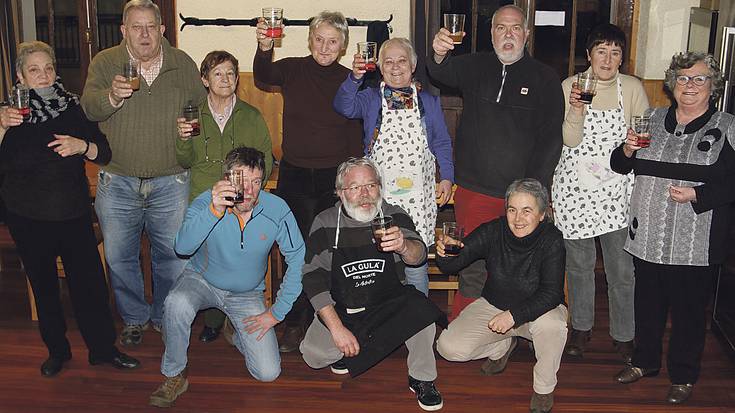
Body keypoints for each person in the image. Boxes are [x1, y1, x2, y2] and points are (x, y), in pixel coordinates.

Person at [0, 41, 139, 377]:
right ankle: (57, 351)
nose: (43, 75)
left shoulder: (72, 107)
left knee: (90, 287)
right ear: (20, 76)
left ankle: (103, 350)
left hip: (73, 213)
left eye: (48, 68)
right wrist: (2, 125)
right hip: (27, 216)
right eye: (34, 70)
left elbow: (104, 152)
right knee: (44, 288)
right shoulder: (9, 112)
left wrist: (82, 146)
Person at [611, 52, 735, 404]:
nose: (690, 85)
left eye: (699, 79)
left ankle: (683, 376)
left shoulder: (727, 126)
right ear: (672, 84)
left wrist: (699, 195)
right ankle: (644, 361)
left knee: (689, 312)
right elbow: (619, 164)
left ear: (713, 86)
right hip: (647, 235)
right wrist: (627, 149)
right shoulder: (651, 118)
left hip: (696, 241)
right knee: (647, 304)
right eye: (683, 78)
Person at [81, 0, 207, 346]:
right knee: (119, 257)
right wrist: (111, 97)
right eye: (136, 27)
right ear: (124, 30)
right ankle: (134, 317)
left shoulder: (182, 63)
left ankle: (166, 315)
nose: (145, 34)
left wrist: (192, 129)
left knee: (173, 256)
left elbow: (201, 110)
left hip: (171, 180)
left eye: (151, 26)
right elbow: (88, 108)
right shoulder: (105, 62)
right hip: (117, 179)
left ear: (162, 29)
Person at [426, 4, 564, 318]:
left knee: (518, 267)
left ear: (526, 34)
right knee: (471, 264)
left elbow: (550, 140)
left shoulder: (545, 78)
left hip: (520, 197)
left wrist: (533, 191)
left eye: (515, 28)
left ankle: (511, 327)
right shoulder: (475, 65)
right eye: (501, 27)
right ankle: (468, 326)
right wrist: (438, 52)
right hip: (474, 188)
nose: (508, 34)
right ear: (491, 33)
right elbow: (440, 71)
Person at [148, 147, 304, 408]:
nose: (250, 190)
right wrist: (214, 210)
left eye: (257, 182)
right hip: (202, 281)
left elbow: (298, 258)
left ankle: (234, 330)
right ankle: (174, 374)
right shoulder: (206, 202)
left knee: (268, 373)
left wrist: (277, 312)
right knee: (176, 303)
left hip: (247, 293)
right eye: (243, 180)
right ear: (227, 179)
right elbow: (182, 248)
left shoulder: (277, 209)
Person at [254, 10, 363, 352]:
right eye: (319, 39)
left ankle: (329, 319)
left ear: (343, 46)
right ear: (309, 40)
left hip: (335, 178)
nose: (325, 47)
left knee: (331, 250)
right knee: (298, 250)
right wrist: (264, 47)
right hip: (296, 176)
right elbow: (263, 75)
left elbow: (355, 133)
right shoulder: (292, 69)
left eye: (333, 41)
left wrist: (351, 180)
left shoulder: (350, 80)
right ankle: (295, 319)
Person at [299, 157, 446, 411]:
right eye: (355, 187)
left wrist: (404, 246)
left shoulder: (394, 215)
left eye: (370, 185)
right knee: (314, 356)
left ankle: (422, 378)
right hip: (345, 308)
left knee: (422, 311)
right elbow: (312, 278)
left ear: (380, 188)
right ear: (340, 192)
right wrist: (337, 328)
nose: (364, 194)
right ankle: (353, 345)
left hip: (389, 303)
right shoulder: (325, 222)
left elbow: (419, 255)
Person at [552, 24, 649, 362]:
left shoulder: (632, 88)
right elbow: (569, 141)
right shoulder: (570, 86)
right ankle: (581, 328)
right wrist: (576, 110)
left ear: (622, 58)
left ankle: (624, 335)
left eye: (615, 52)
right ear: (589, 55)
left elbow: (642, 136)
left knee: (621, 269)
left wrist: (635, 144)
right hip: (574, 190)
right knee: (578, 266)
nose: (607, 59)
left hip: (616, 192)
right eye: (601, 51)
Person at [333, 37, 454, 297]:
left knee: (415, 261)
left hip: (418, 198)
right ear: (379, 67)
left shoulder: (429, 102)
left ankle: (419, 313)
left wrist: (446, 177)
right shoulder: (370, 98)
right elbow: (343, 106)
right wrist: (355, 77)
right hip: (381, 195)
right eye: (388, 61)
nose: (396, 67)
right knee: (382, 258)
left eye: (402, 61)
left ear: (413, 66)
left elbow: (442, 142)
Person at [435, 178, 567, 413]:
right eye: (512, 210)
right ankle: (502, 346)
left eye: (527, 211)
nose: (518, 218)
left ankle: (544, 388)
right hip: (494, 306)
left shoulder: (552, 239)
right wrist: (446, 254)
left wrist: (513, 316)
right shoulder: (494, 230)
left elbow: (551, 293)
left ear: (541, 214)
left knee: (553, 326)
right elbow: (456, 262)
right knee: (448, 347)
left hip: (539, 311)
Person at [176, 50, 273, 344]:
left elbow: (265, 161)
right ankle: (211, 317)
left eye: (231, 73)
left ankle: (230, 315)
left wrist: (249, 195)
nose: (225, 79)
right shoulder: (193, 115)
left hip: (241, 200)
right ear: (205, 79)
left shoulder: (251, 116)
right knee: (206, 258)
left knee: (237, 256)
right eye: (217, 73)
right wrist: (182, 140)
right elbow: (185, 161)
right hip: (203, 198)